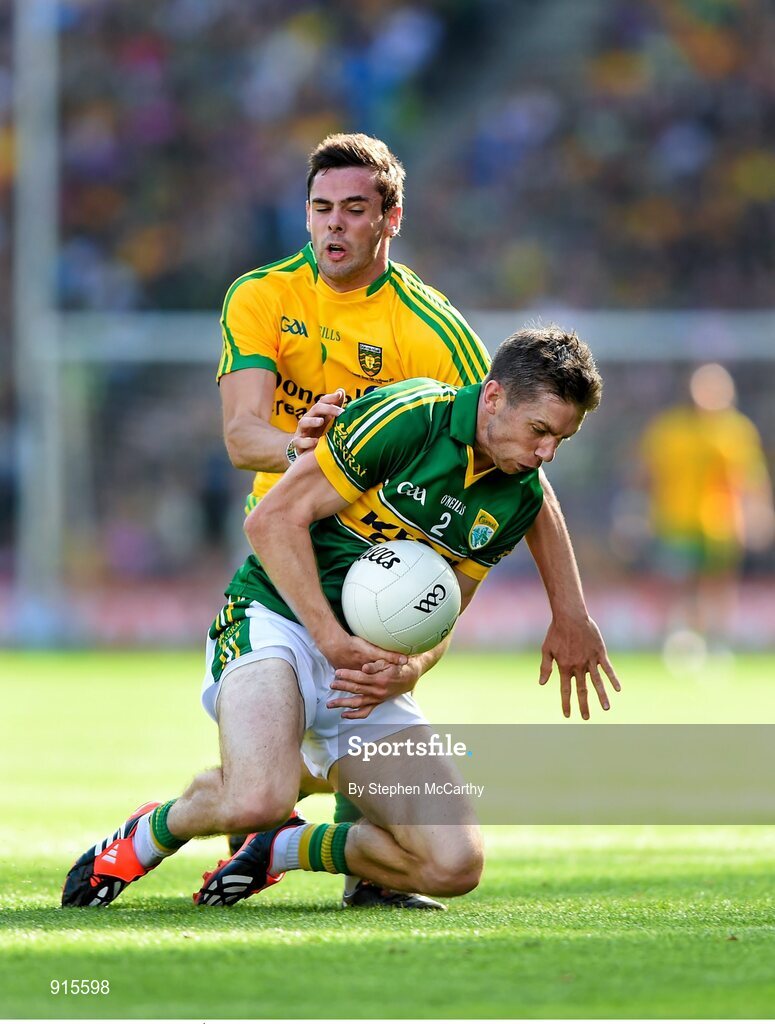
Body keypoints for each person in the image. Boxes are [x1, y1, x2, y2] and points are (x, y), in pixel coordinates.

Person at [62, 325, 620, 911]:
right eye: (540, 431)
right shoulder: (408, 418)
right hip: (277, 619)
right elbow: (271, 522)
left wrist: (411, 668)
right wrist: (329, 639)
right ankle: (150, 834)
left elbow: (443, 610)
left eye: (562, 439)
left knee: (454, 864)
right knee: (256, 799)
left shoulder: (520, 495)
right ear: (495, 396)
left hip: (361, 668)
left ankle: (284, 848)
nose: (547, 454)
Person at [215, 132, 618, 907]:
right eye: (320, 209)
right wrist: (301, 444)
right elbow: (242, 438)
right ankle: (256, 816)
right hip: (293, 531)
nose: (333, 226)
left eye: (354, 210)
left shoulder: (433, 331)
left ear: (390, 219)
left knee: (381, 662)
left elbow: (518, 459)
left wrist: (569, 611)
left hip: (394, 547)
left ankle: (361, 866)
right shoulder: (261, 294)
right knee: (262, 774)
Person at [639, 363, 774, 662]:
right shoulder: (670, 429)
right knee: (677, 584)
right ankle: (675, 641)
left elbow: (750, 479)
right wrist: (641, 510)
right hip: (675, 520)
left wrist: (759, 514)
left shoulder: (735, 432)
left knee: (716, 585)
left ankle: (716, 644)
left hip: (719, 523)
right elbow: (648, 474)